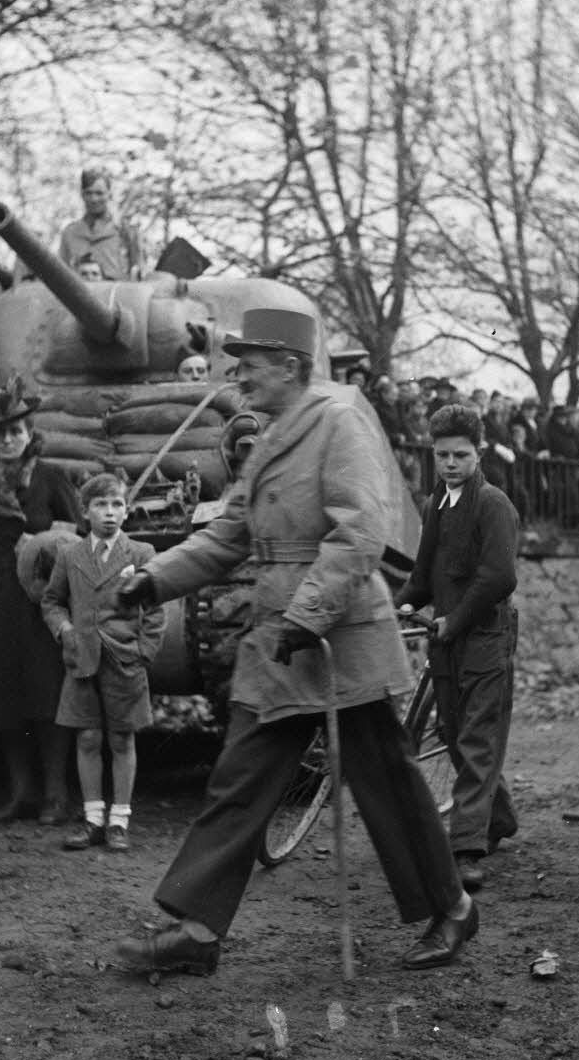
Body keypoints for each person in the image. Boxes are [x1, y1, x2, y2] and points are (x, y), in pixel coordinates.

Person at [112, 307, 477, 976]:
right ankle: (196, 929)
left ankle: (450, 909)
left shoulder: (338, 422)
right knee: (240, 781)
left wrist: (308, 615)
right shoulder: (272, 435)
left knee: (386, 782)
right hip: (281, 642)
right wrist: (155, 578)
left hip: (339, 639)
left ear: (290, 365)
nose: (238, 374)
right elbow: (229, 536)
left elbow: (360, 530)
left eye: (250, 363)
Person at [394, 403, 520, 891]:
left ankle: (466, 848)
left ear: (478, 453)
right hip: (445, 638)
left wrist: (456, 619)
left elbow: (498, 577)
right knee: (454, 729)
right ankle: (500, 816)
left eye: (460, 455)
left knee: (476, 737)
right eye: (442, 454)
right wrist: (399, 607)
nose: (450, 463)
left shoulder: (493, 504)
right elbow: (423, 576)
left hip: (486, 636)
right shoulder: (435, 505)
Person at [0, 378, 83, 824]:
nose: (9, 440)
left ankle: (56, 796)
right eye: (0, 433)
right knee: (2, 697)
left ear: (30, 435)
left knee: (47, 697)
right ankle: (20, 792)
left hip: (41, 603)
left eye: (17, 432)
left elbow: (79, 535)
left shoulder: (50, 478)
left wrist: (44, 541)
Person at [42, 471, 167, 852]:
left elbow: (157, 609)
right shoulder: (70, 554)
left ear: (127, 512)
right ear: (85, 512)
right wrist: (64, 630)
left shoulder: (142, 554)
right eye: (100, 505)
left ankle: (119, 821)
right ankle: (93, 818)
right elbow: (52, 600)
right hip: (83, 658)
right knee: (88, 736)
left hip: (125, 658)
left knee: (121, 737)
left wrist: (144, 651)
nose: (109, 513)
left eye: (117, 505)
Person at [57, 166, 143, 281]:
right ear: (82, 195)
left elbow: (138, 273)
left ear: (109, 194)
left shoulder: (126, 231)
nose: (94, 199)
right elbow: (61, 274)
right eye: (89, 193)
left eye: (99, 193)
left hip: (115, 295)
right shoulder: (70, 233)